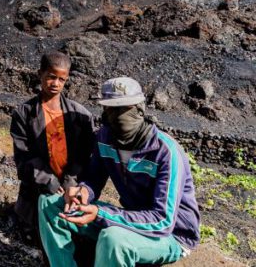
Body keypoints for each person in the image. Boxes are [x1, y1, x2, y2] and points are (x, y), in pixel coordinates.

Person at [38, 77, 200, 267]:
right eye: (110, 108)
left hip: (171, 235)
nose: (116, 115)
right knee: (49, 204)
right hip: (131, 218)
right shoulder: (105, 138)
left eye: (123, 108)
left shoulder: (165, 153)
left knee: (114, 238)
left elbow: (162, 220)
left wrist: (100, 214)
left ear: (140, 109)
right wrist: (82, 192)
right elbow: (93, 179)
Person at [10, 51, 95, 237]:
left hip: (72, 190)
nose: (56, 84)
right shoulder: (24, 114)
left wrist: (70, 182)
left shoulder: (80, 116)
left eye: (61, 79)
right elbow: (24, 156)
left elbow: (85, 155)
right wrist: (49, 181)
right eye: (51, 77)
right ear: (40, 74)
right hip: (37, 190)